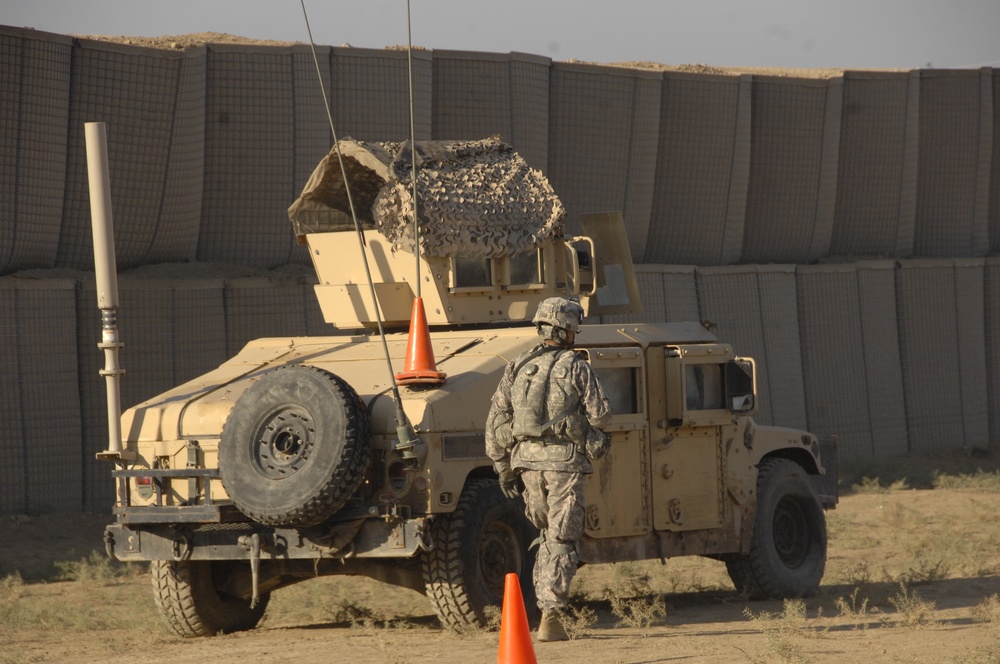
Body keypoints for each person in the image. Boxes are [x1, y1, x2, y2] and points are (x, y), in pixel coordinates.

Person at [485, 296, 612, 642]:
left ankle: (539, 608)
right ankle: (551, 616)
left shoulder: (517, 365)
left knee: (544, 535)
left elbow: (496, 420)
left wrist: (502, 468)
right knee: (561, 538)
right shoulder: (575, 365)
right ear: (566, 330)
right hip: (564, 466)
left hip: (526, 466)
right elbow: (601, 414)